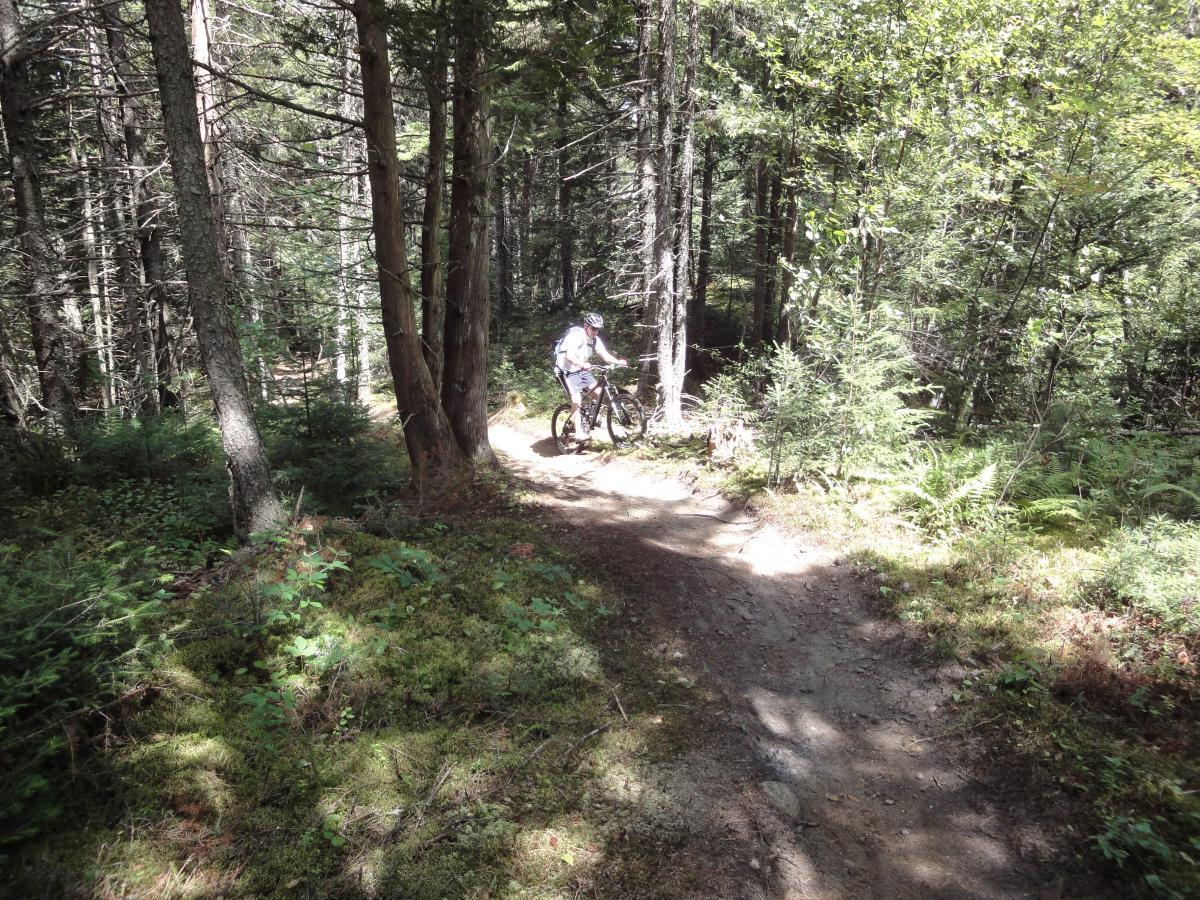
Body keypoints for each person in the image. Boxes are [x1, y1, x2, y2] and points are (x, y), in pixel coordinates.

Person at [554, 312, 627, 444]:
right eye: (593, 328)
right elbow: (569, 355)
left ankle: (594, 417)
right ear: (585, 326)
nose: (595, 331)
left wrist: (618, 362)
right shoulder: (576, 336)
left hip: (581, 369)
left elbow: (605, 356)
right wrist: (582, 364)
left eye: (598, 329)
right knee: (577, 398)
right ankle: (578, 433)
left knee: (598, 393)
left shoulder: (595, 340)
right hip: (565, 370)